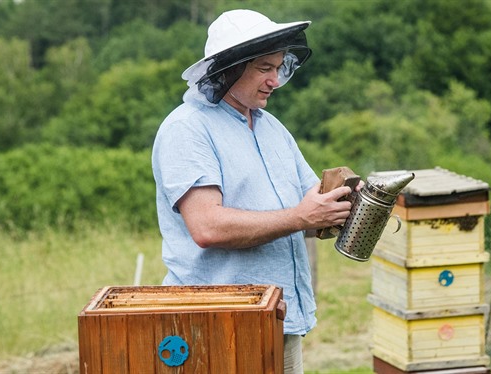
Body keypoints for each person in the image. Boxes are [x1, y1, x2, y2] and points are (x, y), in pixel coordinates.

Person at [151, 9, 354, 373]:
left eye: (279, 67)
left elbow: (308, 210)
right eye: (264, 68)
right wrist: (302, 216)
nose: (275, 80)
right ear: (229, 67)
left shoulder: (271, 127)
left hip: (280, 318)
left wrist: (349, 204)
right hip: (218, 326)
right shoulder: (187, 129)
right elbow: (207, 227)